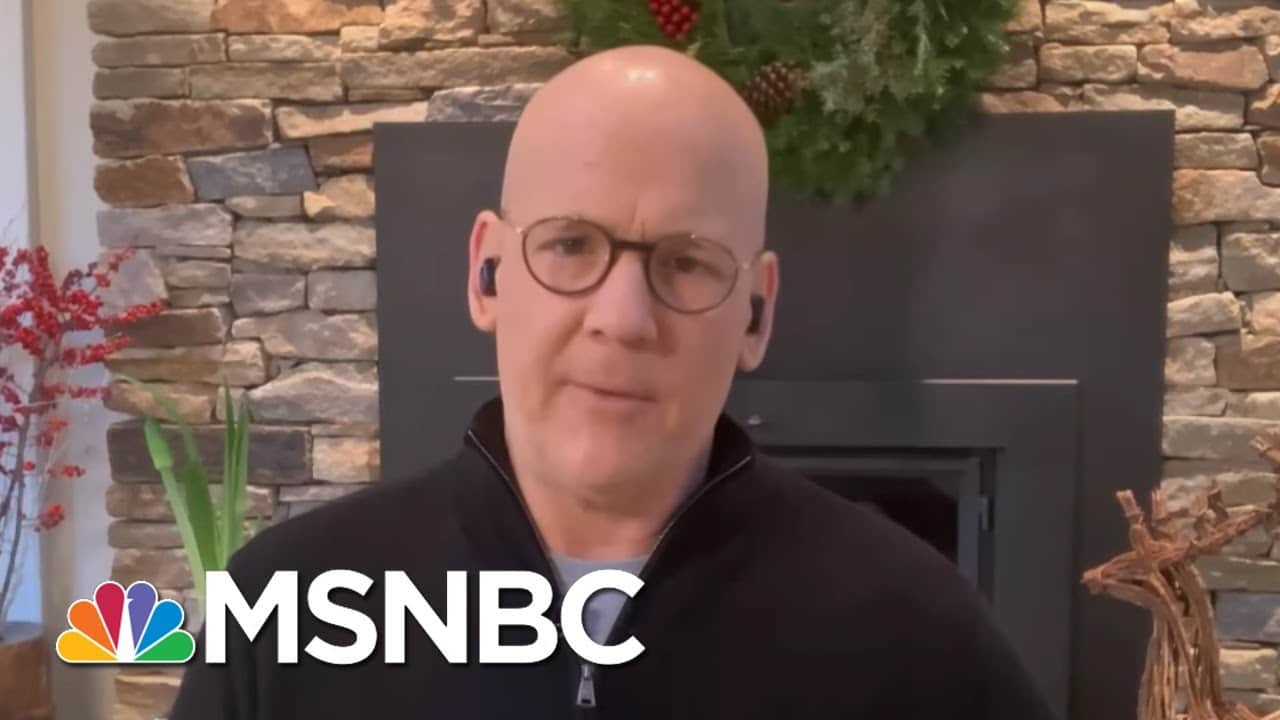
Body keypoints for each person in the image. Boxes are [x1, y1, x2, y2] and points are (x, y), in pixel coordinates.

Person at [169, 44, 1058, 719]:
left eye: (687, 262)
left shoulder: (913, 625)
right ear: (486, 273)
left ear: (756, 313)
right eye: (569, 245)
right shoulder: (285, 609)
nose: (623, 317)